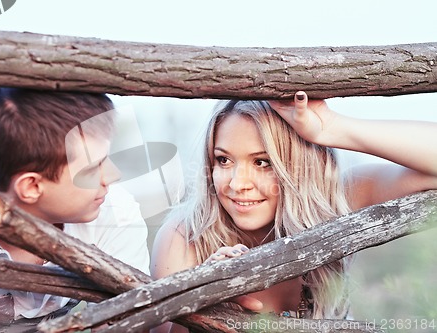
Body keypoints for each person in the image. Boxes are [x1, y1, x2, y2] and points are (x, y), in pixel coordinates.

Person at [151, 91, 437, 332]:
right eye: (223, 160)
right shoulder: (185, 238)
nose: (237, 184)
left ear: (300, 166)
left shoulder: (338, 198)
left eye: (262, 162)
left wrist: (331, 127)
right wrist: (203, 296)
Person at [0, 87, 150, 332]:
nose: (113, 175)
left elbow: (135, 319)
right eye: (93, 169)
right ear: (31, 186)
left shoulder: (115, 211)